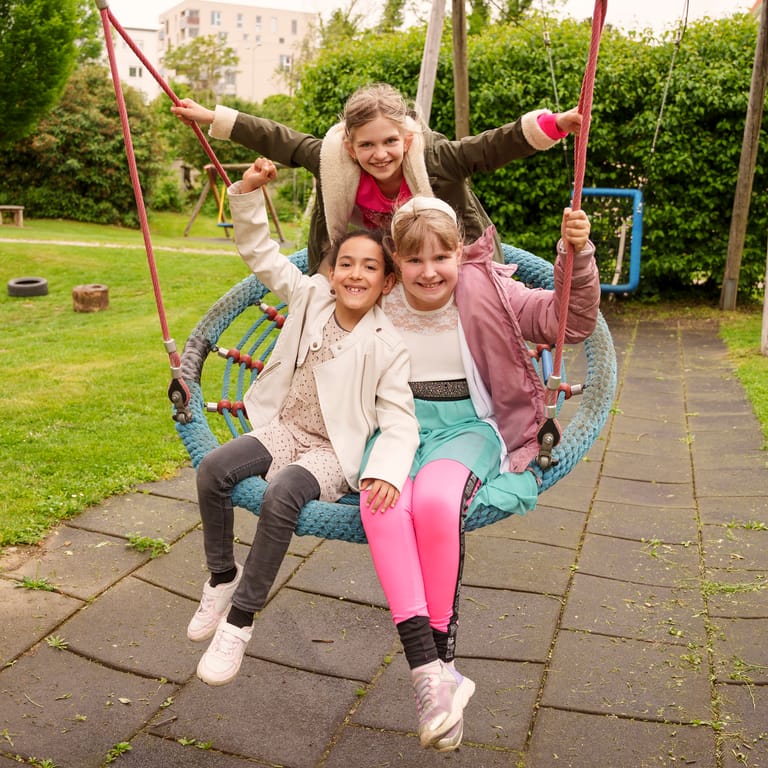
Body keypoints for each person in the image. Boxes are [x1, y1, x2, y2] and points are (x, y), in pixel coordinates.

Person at [358, 196, 601, 751]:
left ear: (459, 253)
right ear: (395, 259)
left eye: (441, 257)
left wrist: (577, 253)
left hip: (468, 426)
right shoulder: (379, 293)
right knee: (381, 505)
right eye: (414, 260)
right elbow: (301, 295)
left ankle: (437, 666)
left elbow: (569, 320)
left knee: (437, 503)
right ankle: (433, 672)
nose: (429, 272)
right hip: (395, 426)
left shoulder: (487, 289)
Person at [188, 157, 419, 687]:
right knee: (214, 469)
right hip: (284, 427)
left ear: (387, 283)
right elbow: (261, 255)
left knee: (283, 494)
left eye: (369, 267)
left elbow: (400, 420)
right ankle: (222, 577)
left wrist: (386, 471)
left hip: (332, 450)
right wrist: (248, 192)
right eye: (346, 263)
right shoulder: (311, 296)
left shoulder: (387, 345)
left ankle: (240, 621)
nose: (355, 274)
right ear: (330, 272)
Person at [171, 83, 582, 275]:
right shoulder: (332, 161)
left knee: (470, 306)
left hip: (453, 259)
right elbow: (281, 139)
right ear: (350, 148)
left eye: (389, 142)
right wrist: (213, 118)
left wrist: (555, 124)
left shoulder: (437, 159)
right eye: (367, 145)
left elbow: (493, 146)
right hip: (391, 262)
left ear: (407, 140)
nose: (380, 154)